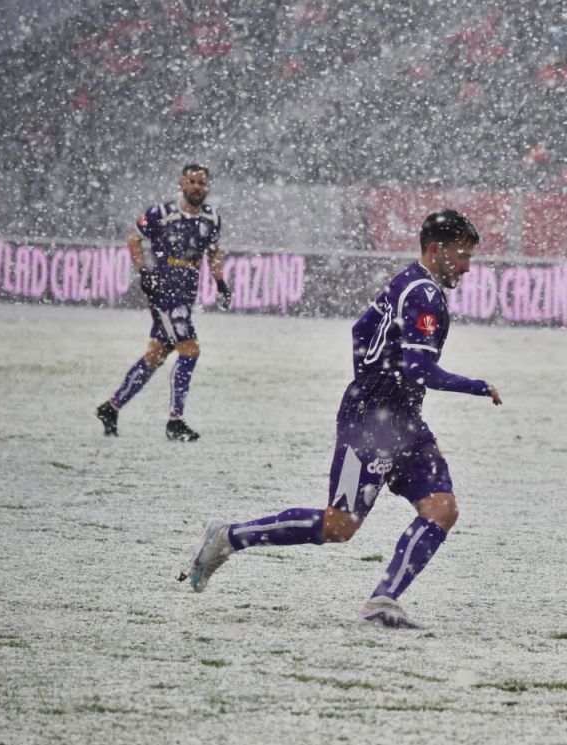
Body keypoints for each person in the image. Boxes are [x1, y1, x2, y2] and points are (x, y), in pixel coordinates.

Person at [177, 209, 502, 629]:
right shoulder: (422, 294)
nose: (467, 266)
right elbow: (422, 371)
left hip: (403, 420)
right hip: (372, 423)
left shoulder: (407, 281)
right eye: (461, 255)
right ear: (436, 249)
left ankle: (383, 601)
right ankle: (227, 537)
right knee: (340, 524)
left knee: (442, 509)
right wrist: (476, 386)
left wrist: (371, 376)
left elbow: (360, 330)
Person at [95, 163, 231, 441]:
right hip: (165, 294)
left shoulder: (211, 218)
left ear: (208, 187)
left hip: (186, 294)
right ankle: (175, 421)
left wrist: (220, 282)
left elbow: (213, 252)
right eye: (192, 182)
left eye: (202, 183)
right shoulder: (162, 213)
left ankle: (112, 407)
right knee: (190, 350)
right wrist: (144, 271)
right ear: (181, 183)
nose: (197, 187)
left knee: (156, 355)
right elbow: (134, 238)